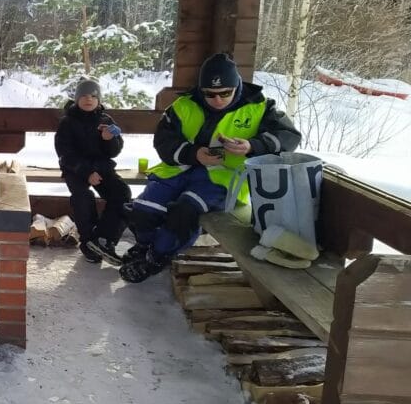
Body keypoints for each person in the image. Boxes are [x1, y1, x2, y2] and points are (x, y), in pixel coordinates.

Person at [120, 52, 302, 284]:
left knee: (185, 212)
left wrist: (252, 146)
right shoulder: (183, 106)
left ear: (236, 86)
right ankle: (144, 245)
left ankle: (157, 257)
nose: (217, 99)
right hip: (179, 170)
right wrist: (194, 153)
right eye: (210, 94)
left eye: (225, 93)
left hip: (225, 178)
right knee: (144, 209)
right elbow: (164, 141)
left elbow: (289, 136)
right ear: (201, 89)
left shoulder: (260, 107)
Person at [54, 78, 131, 266]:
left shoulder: (105, 120)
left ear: (99, 100)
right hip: (76, 169)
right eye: (84, 96)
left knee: (122, 192)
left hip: (102, 167)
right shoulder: (68, 122)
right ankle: (89, 243)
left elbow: (114, 151)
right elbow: (65, 154)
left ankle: (105, 239)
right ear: (77, 99)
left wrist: (109, 139)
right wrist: (87, 172)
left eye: (93, 96)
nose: (89, 99)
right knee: (82, 196)